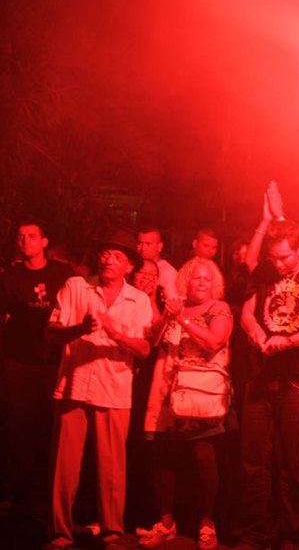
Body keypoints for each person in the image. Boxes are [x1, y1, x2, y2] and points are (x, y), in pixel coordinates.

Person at [43, 230, 152, 550]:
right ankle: (59, 532)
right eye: (106, 253)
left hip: (114, 388)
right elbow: (50, 334)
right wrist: (79, 328)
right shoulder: (77, 287)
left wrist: (116, 334)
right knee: (63, 467)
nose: (108, 259)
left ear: (129, 266)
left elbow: (144, 349)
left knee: (112, 468)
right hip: (72, 387)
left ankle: (112, 532)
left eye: (118, 256)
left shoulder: (139, 300)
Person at [236, 218, 299, 550]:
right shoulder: (262, 272)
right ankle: (255, 531)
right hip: (262, 375)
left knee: (292, 460)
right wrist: (257, 333)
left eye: (284, 258)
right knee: (254, 459)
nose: (278, 264)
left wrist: (290, 340)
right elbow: (247, 314)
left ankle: (289, 533)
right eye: (273, 258)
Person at [136, 257, 233, 550]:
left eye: (206, 278)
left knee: (203, 456)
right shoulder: (175, 307)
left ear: (213, 283)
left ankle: (206, 523)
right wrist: (167, 315)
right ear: (186, 281)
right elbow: (151, 342)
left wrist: (183, 320)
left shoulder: (219, 308)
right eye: (196, 278)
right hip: (165, 389)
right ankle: (166, 523)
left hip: (199, 392)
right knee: (161, 456)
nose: (201, 283)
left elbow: (214, 343)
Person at [0, 221, 73, 516]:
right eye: (21, 237)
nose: (25, 241)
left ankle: (49, 495)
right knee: (19, 427)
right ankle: (21, 495)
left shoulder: (62, 274)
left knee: (50, 427)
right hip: (18, 361)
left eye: (31, 237)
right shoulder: (10, 276)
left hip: (51, 361)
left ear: (44, 241)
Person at [137, 226, 179, 300]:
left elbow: (173, 304)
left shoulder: (168, 273)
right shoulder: (135, 266)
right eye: (140, 243)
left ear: (160, 246)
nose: (142, 248)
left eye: (148, 244)